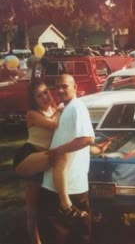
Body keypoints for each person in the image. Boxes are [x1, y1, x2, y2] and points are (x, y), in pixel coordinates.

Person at [14, 80, 85, 244]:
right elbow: (53, 124)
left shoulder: (54, 110)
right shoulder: (33, 113)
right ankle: (65, 205)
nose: (45, 97)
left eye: (46, 92)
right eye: (39, 96)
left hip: (45, 159)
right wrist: (61, 108)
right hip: (29, 157)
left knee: (42, 208)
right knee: (31, 210)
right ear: (34, 100)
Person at [37, 74, 95, 244]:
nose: (60, 90)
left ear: (75, 87)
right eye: (57, 87)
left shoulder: (78, 107)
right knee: (55, 236)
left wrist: (57, 151)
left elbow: (87, 138)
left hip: (72, 188)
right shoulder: (66, 108)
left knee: (77, 236)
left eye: (65, 86)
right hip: (53, 185)